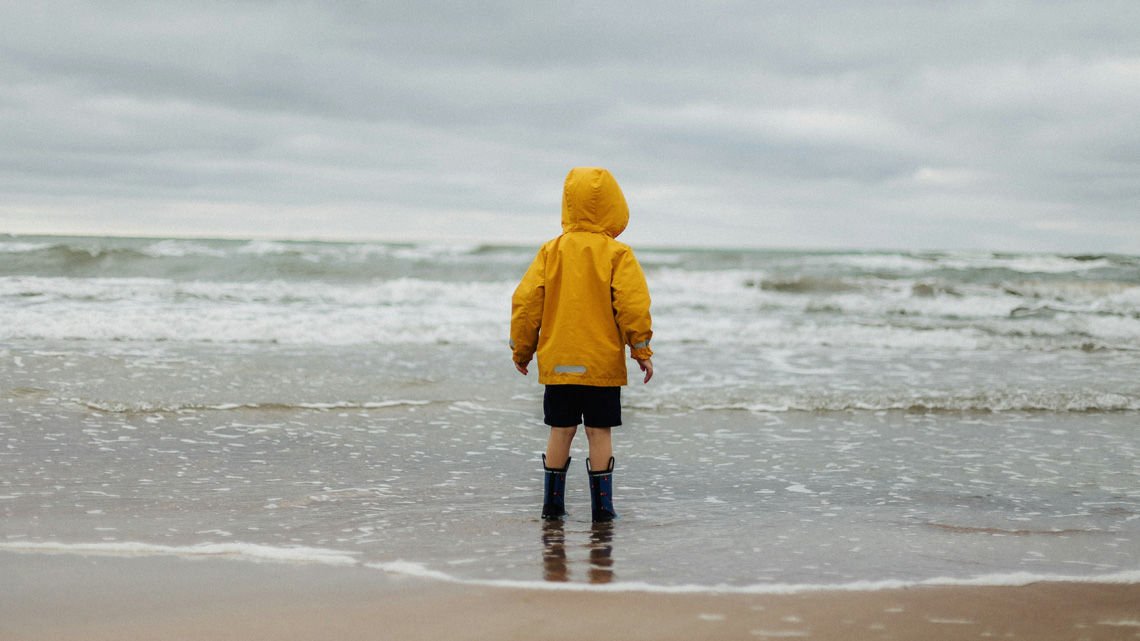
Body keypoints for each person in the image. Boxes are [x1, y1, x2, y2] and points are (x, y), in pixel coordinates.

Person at [510, 167, 654, 522]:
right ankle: (602, 509)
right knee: (598, 431)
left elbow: (527, 303)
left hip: (559, 362)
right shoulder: (617, 253)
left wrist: (522, 349)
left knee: (561, 429)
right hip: (600, 363)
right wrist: (641, 350)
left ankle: (552, 506)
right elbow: (632, 305)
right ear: (613, 206)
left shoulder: (551, 251)